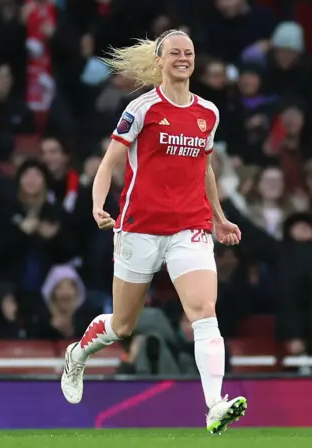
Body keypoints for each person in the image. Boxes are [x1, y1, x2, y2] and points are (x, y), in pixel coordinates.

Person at [59, 29, 247, 434]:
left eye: (189, 53)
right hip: (140, 228)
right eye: (175, 53)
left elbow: (205, 168)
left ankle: (215, 405)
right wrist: (97, 204)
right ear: (159, 61)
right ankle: (77, 355)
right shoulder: (142, 109)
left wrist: (218, 216)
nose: (183, 58)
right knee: (123, 326)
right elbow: (109, 162)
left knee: (204, 314)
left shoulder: (208, 113)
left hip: (189, 229)